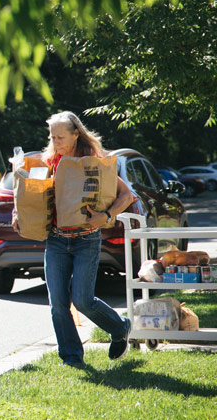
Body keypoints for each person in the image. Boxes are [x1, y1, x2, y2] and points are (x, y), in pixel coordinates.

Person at [14, 111, 137, 367]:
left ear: (75, 134)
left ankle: (119, 326)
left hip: (86, 240)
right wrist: (19, 213)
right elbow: (31, 196)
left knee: (82, 300)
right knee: (58, 304)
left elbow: (127, 196)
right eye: (52, 136)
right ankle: (72, 358)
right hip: (56, 240)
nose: (55, 141)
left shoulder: (93, 164)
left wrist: (105, 215)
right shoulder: (49, 163)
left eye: (60, 136)